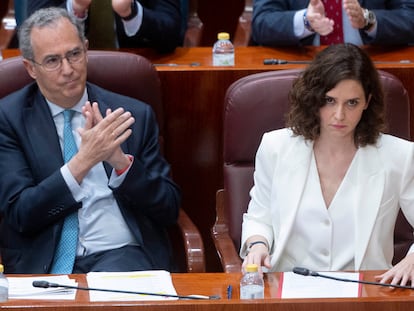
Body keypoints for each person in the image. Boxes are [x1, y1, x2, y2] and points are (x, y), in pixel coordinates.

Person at [0, 7, 181, 274]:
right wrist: (82, 163)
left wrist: (121, 164)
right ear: (31, 68)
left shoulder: (131, 115)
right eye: (52, 61)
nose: (68, 69)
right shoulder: (9, 118)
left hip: (122, 257)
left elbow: (168, 208)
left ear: (85, 49)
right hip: (43, 264)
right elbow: (21, 214)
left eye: (74, 54)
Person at [240, 43, 414, 286]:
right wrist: (258, 244)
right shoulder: (275, 147)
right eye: (330, 100)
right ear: (314, 98)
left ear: (367, 101)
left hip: (365, 292)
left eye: (352, 103)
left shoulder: (399, 155)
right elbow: (260, 216)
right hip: (289, 287)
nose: (339, 115)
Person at [16, 0, 183, 53]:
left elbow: (172, 34)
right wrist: (75, 9)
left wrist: (131, 13)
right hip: (64, 71)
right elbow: (34, 31)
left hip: (135, 69)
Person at [252, 0, 414, 46]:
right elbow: (261, 23)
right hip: (303, 67)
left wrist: (368, 19)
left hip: (371, 65)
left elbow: (409, 17)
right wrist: (306, 21)